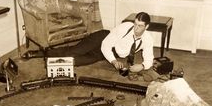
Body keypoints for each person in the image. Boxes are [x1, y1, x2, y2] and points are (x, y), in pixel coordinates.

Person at [23, 12, 154, 76]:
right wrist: (114, 61)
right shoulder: (125, 27)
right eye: (135, 24)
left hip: (108, 53)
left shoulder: (148, 39)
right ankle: (41, 53)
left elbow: (149, 59)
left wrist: (142, 66)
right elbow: (106, 44)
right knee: (74, 50)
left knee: (80, 60)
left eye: (140, 26)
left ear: (146, 27)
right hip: (102, 39)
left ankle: (54, 63)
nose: (136, 28)